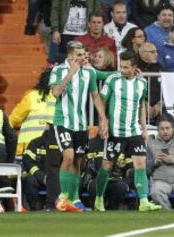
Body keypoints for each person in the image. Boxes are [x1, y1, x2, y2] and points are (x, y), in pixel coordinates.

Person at [94, 51, 161, 212]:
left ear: (134, 68)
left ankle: (144, 201)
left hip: (134, 131)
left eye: (126, 67)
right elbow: (101, 101)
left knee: (140, 165)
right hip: (115, 132)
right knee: (107, 165)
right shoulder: (112, 80)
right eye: (121, 66)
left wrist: (144, 128)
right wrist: (103, 122)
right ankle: (98, 198)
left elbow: (141, 106)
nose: (122, 70)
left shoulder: (141, 83)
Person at [49, 40, 108, 212]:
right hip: (63, 121)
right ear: (71, 55)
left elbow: (95, 96)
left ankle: (74, 199)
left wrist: (102, 117)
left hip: (81, 124)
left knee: (78, 161)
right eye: (80, 55)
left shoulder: (89, 72)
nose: (84, 58)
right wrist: (70, 73)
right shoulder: (58, 69)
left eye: (84, 54)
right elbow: (55, 93)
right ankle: (63, 196)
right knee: (68, 156)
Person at [146, 113, 174, 211]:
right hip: (160, 180)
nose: (165, 131)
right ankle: (167, 213)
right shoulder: (151, 144)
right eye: (162, 129)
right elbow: (146, 169)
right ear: (157, 129)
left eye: (167, 128)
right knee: (155, 192)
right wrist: (155, 162)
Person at [9, 70, 56, 158]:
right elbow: (11, 121)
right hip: (44, 150)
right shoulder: (62, 100)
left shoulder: (31, 96)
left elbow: (12, 120)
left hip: (33, 148)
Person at [137, 42, 164, 123]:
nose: (156, 54)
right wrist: (144, 102)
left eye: (156, 52)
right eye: (152, 52)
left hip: (159, 104)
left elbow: (168, 88)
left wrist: (160, 103)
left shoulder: (160, 67)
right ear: (142, 53)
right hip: (140, 102)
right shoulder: (134, 66)